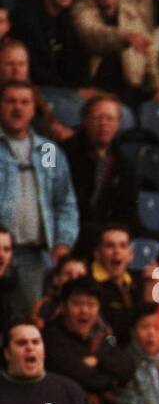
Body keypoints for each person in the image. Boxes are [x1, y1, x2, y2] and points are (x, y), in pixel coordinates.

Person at [0, 79, 78, 315]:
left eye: (25, 102)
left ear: (34, 109)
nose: (18, 108)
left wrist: (63, 241)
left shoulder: (47, 151)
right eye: (10, 101)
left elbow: (64, 201)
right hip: (1, 251)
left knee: (29, 320)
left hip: (34, 256)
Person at [62, 95, 141, 256]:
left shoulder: (124, 164)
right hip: (72, 233)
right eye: (98, 118)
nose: (104, 124)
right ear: (85, 121)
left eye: (110, 119)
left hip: (107, 236)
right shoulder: (65, 154)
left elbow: (128, 209)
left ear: (118, 124)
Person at [41, 277, 135, 404]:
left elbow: (127, 364)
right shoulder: (50, 337)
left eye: (91, 305)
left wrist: (97, 360)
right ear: (63, 306)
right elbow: (76, 375)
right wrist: (112, 382)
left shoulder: (102, 335)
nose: (84, 310)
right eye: (77, 304)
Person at [71, 0, 159, 105]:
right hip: (96, 91)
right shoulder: (81, 7)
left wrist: (158, 88)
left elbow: (149, 51)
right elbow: (92, 35)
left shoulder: (130, 9)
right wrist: (124, 37)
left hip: (132, 89)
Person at [9, 0, 90, 92]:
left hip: (64, 87)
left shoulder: (69, 13)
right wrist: (74, 90)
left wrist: (85, 88)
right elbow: (34, 72)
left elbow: (78, 61)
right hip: (37, 88)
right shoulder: (25, 15)